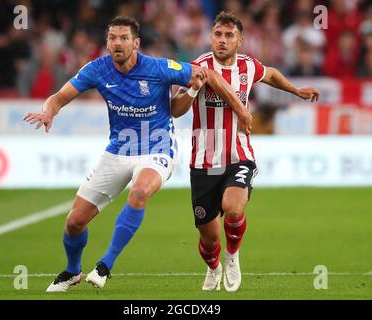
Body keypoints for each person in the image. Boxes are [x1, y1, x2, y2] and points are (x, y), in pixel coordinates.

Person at [23, 15, 252, 292]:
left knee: (140, 192)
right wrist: (48, 112)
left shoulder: (158, 67)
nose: (117, 43)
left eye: (123, 38)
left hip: (157, 149)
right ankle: (72, 271)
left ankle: (105, 265)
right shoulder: (97, 69)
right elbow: (59, 97)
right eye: (112, 38)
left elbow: (210, 75)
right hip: (118, 150)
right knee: (74, 222)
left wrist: (240, 109)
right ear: (107, 43)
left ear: (136, 43)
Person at [171, 11, 320, 292]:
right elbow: (175, 111)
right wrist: (192, 90)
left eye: (229, 36)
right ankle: (213, 266)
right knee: (208, 238)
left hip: (240, 155)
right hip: (203, 161)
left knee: (233, 208)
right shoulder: (197, 66)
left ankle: (232, 255)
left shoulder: (248, 66)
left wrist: (295, 90)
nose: (222, 40)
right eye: (218, 34)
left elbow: (271, 74)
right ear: (210, 37)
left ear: (240, 40)